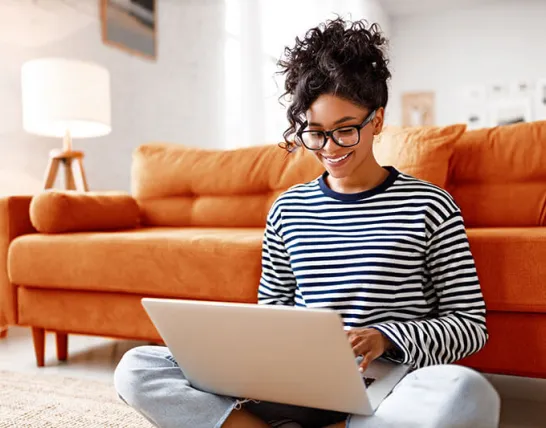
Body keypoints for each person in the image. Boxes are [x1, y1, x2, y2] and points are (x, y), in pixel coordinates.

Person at [114, 18, 501, 428]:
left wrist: (387, 337)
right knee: (137, 367)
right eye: (314, 133)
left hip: (389, 384)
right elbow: (272, 312)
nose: (330, 148)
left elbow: (469, 325)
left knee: (464, 391)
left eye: (345, 130)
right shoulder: (288, 209)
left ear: (378, 120)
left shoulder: (430, 205)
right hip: (294, 383)